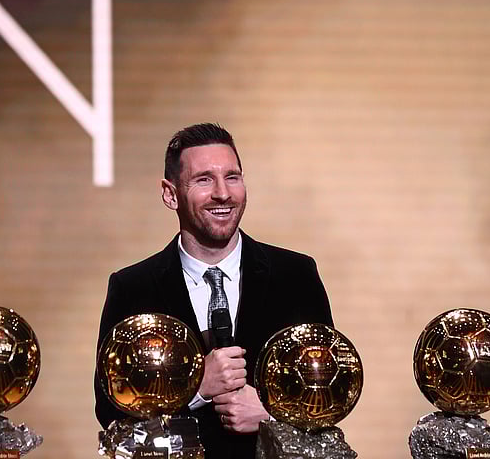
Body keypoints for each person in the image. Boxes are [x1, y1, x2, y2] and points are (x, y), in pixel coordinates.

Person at [94, 123, 333, 458]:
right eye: (204, 179)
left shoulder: (294, 275)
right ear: (170, 193)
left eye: (232, 177)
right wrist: (194, 388)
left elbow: (328, 390)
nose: (223, 193)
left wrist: (270, 413)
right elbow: (111, 415)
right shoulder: (132, 287)